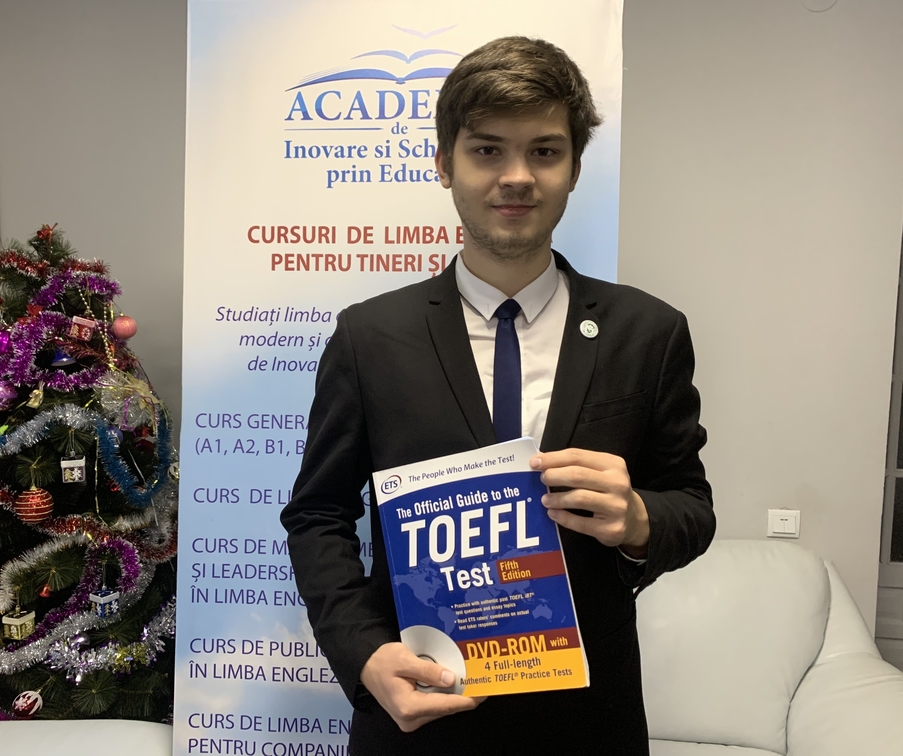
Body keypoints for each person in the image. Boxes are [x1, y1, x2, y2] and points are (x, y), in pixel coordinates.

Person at [280, 36, 715, 755]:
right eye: (487, 150)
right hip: (419, 716)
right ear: (444, 163)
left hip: (586, 722)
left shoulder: (648, 332)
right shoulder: (369, 336)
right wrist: (364, 652)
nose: (517, 177)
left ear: (574, 168)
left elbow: (691, 506)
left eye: (544, 151)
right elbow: (317, 515)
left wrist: (639, 518)